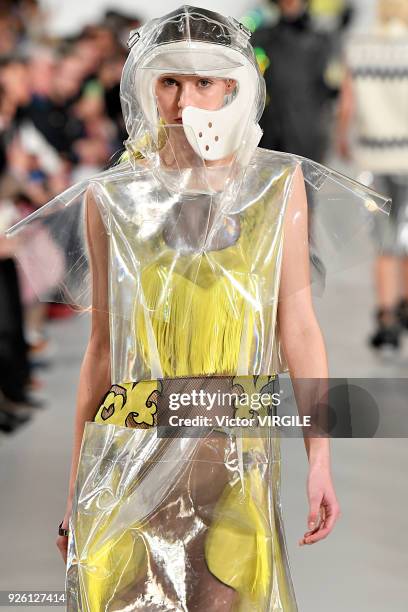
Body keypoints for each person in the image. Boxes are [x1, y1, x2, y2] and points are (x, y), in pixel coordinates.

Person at [7, 6, 389, 611]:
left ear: (235, 86)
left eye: (204, 81)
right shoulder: (112, 198)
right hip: (129, 452)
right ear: (145, 86)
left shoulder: (276, 186)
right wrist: (75, 491)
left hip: (234, 460)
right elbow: (101, 354)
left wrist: (321, 459)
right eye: (169, 81)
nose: (184, 100)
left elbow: (299, 328)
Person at [337, 0, 408, 352]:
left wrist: (342, 140)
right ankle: (405, 306)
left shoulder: (361, 45)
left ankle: (386, 319)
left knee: (384, 239)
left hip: (375, 155)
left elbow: (347, 102)